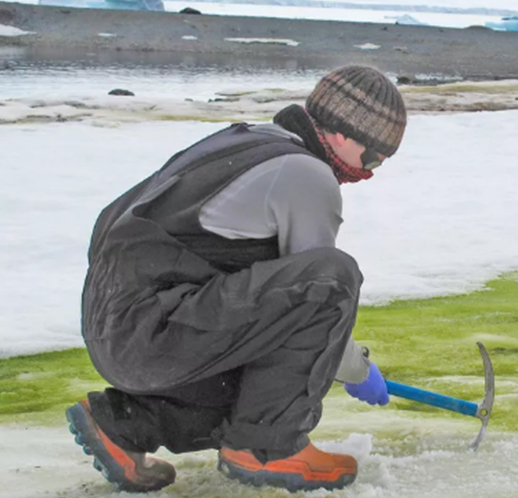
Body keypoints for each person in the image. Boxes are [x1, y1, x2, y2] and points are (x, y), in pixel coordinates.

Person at [65, 65, 406, 493]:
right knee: (335, 276)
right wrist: (357, 367)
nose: (370, 171)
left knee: (258, 382)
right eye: (373, 156)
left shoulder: (248, 140)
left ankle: (124, 425)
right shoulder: (306, 174)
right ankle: (268, 447)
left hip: (117, 327)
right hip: (154, 329)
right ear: (342, 133)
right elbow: (318, 295)